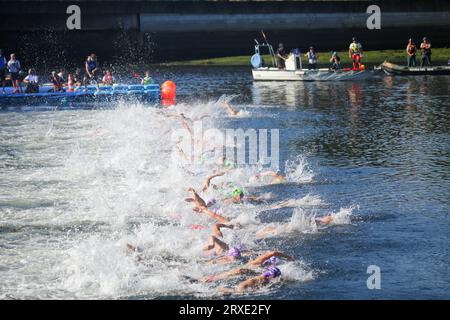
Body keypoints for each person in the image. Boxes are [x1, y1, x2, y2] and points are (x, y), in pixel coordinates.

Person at [218, 266, 282, 294]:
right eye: (275, 277)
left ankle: (222, 289)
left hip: (244, 285)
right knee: (235, 292)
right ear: (271, 276)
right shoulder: (263, 279)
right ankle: (221, 289)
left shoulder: (264, 277)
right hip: (242, 287)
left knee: (233, 291)